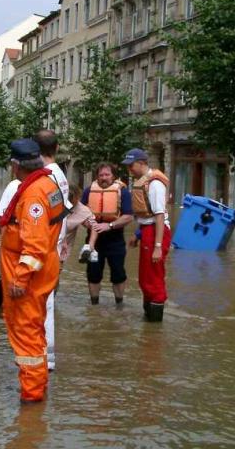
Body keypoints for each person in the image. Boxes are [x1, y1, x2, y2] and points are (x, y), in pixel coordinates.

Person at [0, 139, 66, 403]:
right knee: (34, 330)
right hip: (42, 269)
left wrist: (19, 279)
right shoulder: (47, 184)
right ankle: (37, 385)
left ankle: (32, 396)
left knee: (26, 333)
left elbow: (35, 246)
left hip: (27, 276)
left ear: (16, 165)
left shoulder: (33, 195)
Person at [34, 129, 70, 372]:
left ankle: (45, 356)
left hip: (45, 247)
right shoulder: (60, 175)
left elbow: (49, 215)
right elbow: (63, 211)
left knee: (42, 303)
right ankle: (46, 356)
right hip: (54, 245)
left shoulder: (46, 177)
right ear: (57, 148)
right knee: (47, 301)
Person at [121, 148, 171, 322]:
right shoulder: (143, 182)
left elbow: (159, 216)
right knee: (145, 277)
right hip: (147, 231)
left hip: (157, 232)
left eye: (131, 165)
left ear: (142, 163)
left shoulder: (155, 184)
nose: (129, 169)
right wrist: (137, 234)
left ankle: (155, 324)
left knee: (153, 276)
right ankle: (148, 320)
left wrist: (157, 246)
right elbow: (146, 217)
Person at [80, 162, 133, 306]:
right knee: (93, 273)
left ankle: (119, 304)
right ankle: (94, 305)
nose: (104, 178)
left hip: (115, 239)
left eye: (107, 175)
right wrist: (89, 224)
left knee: (118, 273)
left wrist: (109, 225)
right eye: (101, 175)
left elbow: (128, 216)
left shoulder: (123, 192)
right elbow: (80, 212)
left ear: (113, 176)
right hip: (93, 240)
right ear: (97, 176)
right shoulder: (88, 191)